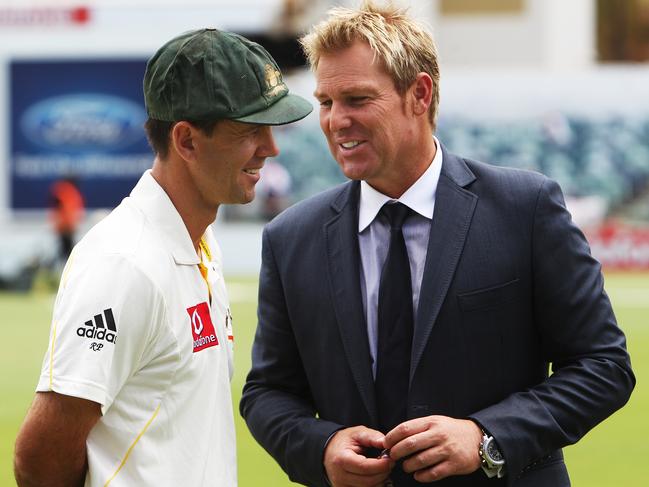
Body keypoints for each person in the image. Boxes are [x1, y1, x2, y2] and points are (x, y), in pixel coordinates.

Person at [240, 2, 635, 486]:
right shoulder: (290, 238)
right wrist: (320, 447)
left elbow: (604, 365)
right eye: (326, 102)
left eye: (358, 100)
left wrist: (486, 437)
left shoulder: (525, 208)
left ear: (419, 94)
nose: (335, 120)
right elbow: (267, 392)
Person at [14, 28, 312, 487]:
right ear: (187, 141)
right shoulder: (126, 263)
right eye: (251, 129)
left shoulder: (196, 243)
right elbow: (40, 458)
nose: (271, 148)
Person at [49, 175, 85, 264]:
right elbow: (59, 208)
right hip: (65, 226)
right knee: (68, 252)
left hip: (67, 226)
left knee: (66, 251)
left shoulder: (67, 191)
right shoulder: (65, 190)